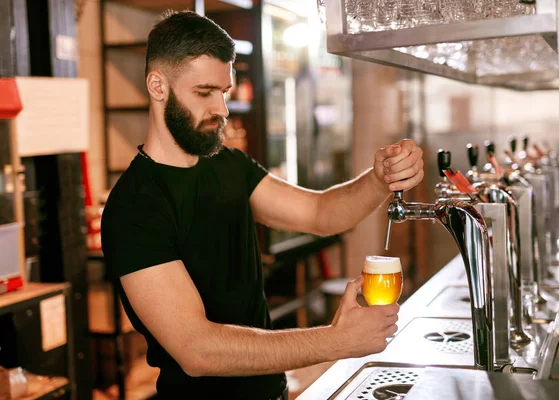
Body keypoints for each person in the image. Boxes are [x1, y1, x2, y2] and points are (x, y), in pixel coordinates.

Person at [100, 10, 424, 400]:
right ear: (157, 86)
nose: (221, 109)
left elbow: (320, 213)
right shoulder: (135, 206)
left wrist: (379, 179)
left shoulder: (226, 164)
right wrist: (336, 341)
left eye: (224, 91)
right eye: (205, 93)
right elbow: (197, 350)